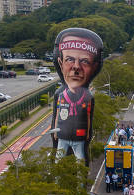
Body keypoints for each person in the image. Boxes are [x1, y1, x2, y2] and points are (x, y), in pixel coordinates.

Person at [51, 28, 103, 162]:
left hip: (79, 138)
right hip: (62, 137)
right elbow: (57, 116)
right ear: (60, 63)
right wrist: (55, 132)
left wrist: (87, 136)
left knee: (80, 160)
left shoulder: (87, 97)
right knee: (58, 160)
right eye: (69, 59)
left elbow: (88, 119)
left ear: (94, 67)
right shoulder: (60, 94)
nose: (76, 67)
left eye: (84, 61)